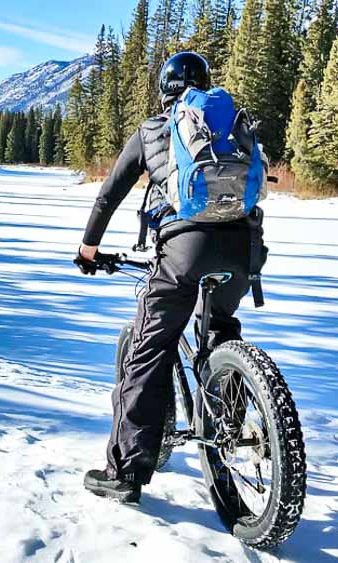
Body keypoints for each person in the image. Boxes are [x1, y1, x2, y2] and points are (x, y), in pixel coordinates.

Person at [75, 52, 267, 503]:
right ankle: (230, 418)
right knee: (219, 326)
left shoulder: (152, 130)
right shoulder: (228, 123)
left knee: (147, 350)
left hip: (184, 249)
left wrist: (88, 249)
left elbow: (109, 194)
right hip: (244, 248)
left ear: (165, 90)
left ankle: (125, 472)